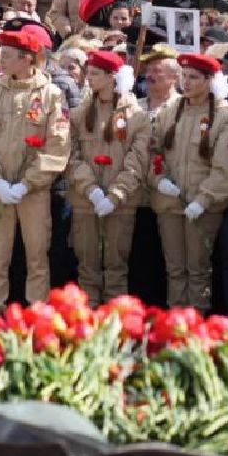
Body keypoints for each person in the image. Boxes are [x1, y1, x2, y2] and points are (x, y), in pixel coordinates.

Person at [0, 22, 71, 314]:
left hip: (34, 191)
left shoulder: (52, 95)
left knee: (37, 255)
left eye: (7, 54)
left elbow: (58, 143)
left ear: (27, 58)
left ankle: (36, 311)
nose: (1, 59)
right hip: (0, 188)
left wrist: (28, 183)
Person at [67, 49, 150, 304]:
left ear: (112, 77)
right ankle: (88, 318)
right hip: (85, 201)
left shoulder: (137, 117)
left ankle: (116, 322)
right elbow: (70, 156)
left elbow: (138, 159)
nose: (88, 78)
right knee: (87, 266)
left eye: (94, 73)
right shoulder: (79, 114)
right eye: (88, 72)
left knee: (116, 267)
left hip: (121, 203)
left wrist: (115, 195)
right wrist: (90, 189)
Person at [150, 53, 228, 312]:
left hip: (203, 206)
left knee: (198, 271)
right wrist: (158, 179)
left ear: (210, 81)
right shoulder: (171, 110)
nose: (187, 82)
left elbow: (224, 169)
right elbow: (153, 150)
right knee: (174, 270)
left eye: (194, 77)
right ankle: (175, 326)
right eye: (184, 76)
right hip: (170, 202)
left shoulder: (223, 116)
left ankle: (196, 327)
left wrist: (203, 199)